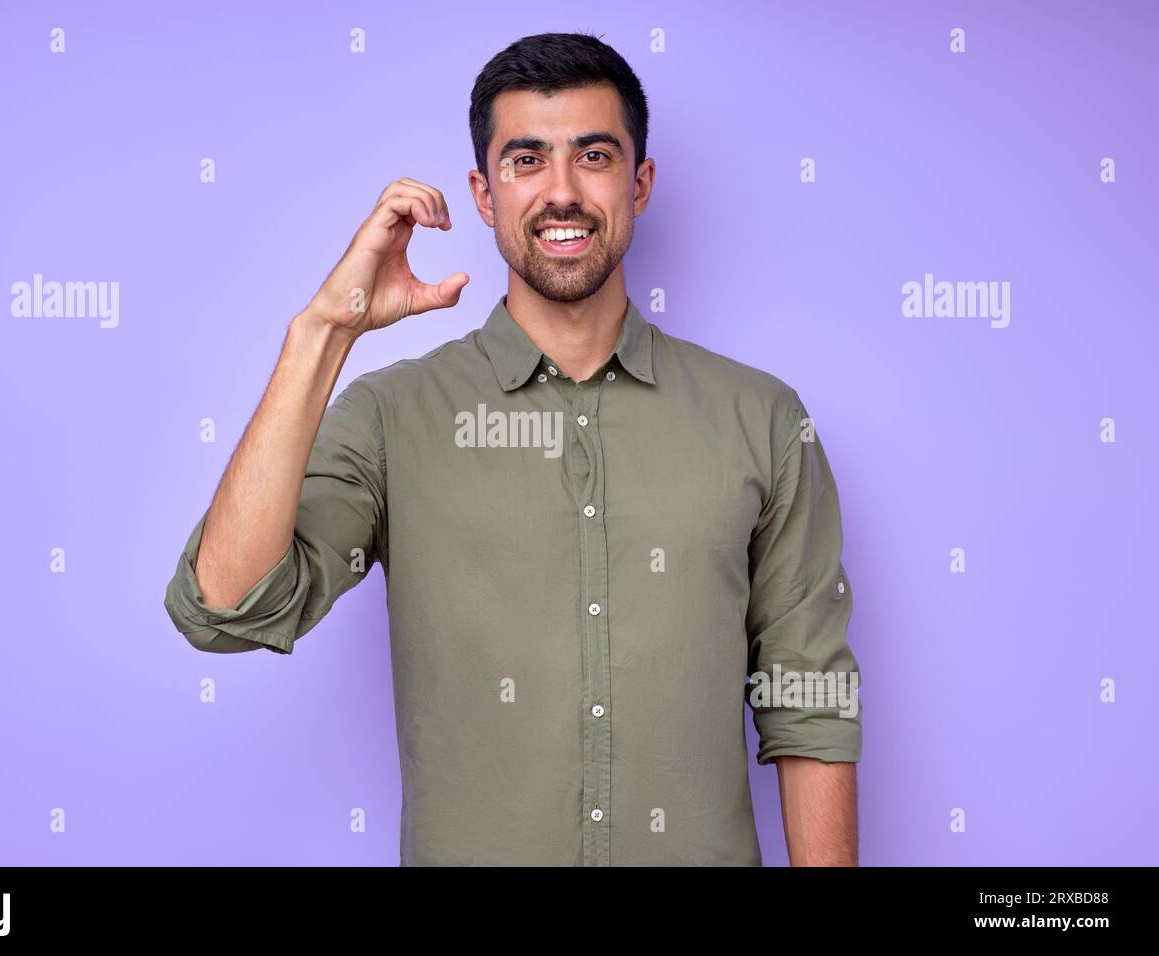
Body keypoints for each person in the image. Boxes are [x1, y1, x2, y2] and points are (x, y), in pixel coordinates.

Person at [163, 31, 862, 866]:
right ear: (483, 193)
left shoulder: (765, 420)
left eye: (593, 156)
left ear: (639, 183)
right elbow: (228, 608)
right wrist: (325, 332)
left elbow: (808, 703)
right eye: (526, 160)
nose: (560, 192)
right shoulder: (391, 416)